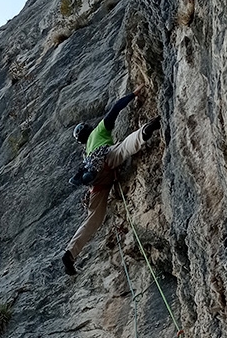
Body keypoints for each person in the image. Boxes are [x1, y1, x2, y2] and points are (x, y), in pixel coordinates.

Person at [62, 88, 160, 275]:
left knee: (94, 219)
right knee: (123, 148)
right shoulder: (98, 131)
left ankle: (70, 253)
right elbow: (116, 109)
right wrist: (133, 94)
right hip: (106, 160)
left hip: (97, 181)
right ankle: (145, 131)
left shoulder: (87, 152)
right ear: (89, 129)